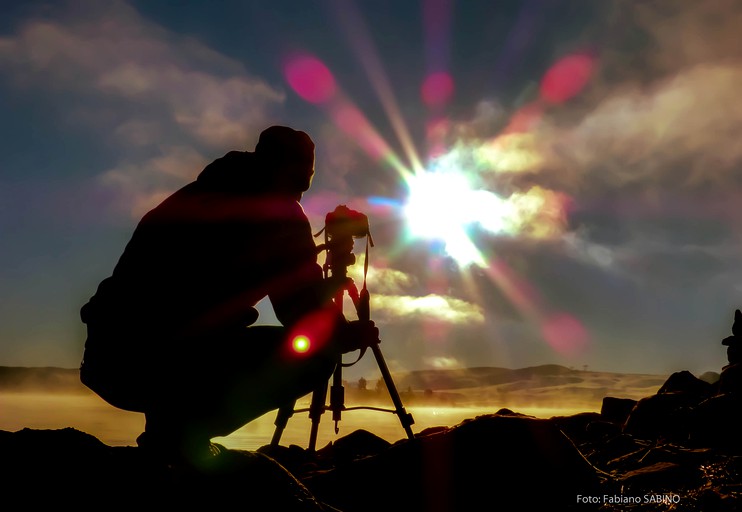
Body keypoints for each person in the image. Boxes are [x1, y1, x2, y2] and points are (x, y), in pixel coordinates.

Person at [79, 126, 377, 463]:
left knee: (191, 332)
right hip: (161, 362)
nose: (300, 198)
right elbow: (299, 310)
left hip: (107, 359)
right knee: (315, 357)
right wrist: (346, 334)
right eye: (301, 184)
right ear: (293, 172)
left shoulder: (196, 195)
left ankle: (168, 433)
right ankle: (180, 441)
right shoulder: (278, 211)